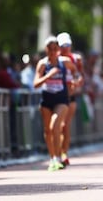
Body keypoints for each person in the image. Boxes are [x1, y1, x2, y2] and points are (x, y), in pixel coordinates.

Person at [33, 36, 81, 171]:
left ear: (58, 49)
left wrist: (75, 81)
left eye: (55, 48)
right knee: (47, 130)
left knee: (56, 126)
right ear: (46, 50)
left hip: (61, 99)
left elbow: (76, 72)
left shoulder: (64, 62)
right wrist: (48, 76)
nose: (53, 51)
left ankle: (59, 157)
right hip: (46, 99)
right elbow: (35, 84)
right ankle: (52, 158)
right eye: (50, 49)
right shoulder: (42, 64)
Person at [57, 32, 84, 166]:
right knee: (57, 126)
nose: (65, 48)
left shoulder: (76, 59)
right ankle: (57, 153)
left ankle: (64, 153)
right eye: (62, 46)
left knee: (65, 125)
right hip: (57, 95)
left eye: (67, 45)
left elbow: (81, 76)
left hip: (70, 96)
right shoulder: (54, 59)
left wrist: (76, 83)